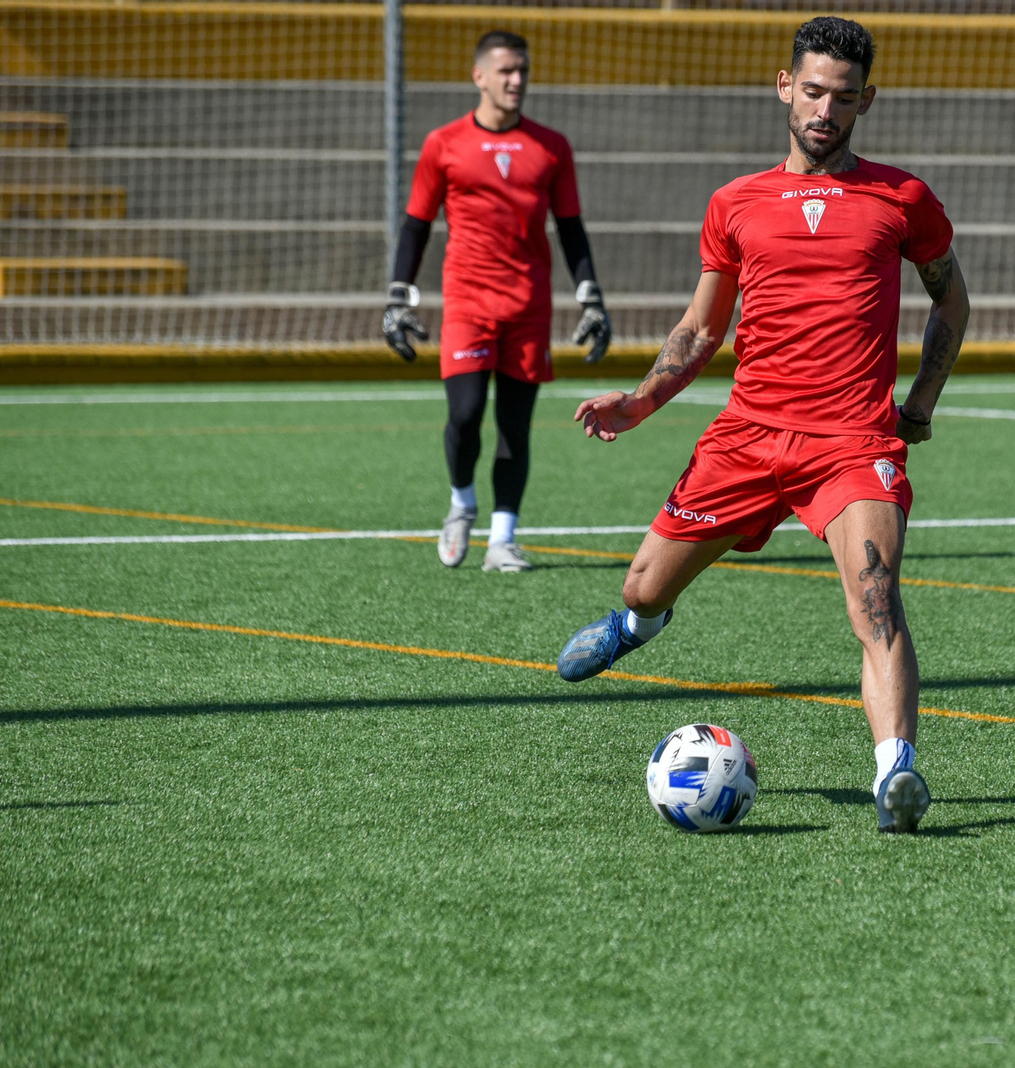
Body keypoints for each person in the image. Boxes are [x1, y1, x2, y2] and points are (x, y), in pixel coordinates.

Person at [554, 17, 970, 834]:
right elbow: (700, 331)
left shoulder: (903, 198)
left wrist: (920, 403)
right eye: (813, 91)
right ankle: (637, 624)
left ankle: (897, 777)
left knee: (877, 599)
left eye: (844, 98)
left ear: (866, 102)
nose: (825, 109)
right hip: (747, 437)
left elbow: (949, 297)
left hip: (852, 444)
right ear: (786, 86)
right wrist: (636, 404)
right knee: (644, 584)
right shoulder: (735, 203)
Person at [383, 30, 611, 573]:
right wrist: (397, 297)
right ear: (479, 75)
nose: (516, 81)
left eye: (523, 71)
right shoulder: (444, 143)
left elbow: (571, 228)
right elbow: (416, 225)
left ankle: (503, 539)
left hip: (529, 307)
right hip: (466, 303)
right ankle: (462, 502)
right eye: (506, 70)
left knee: (515, 426)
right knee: (464, 416)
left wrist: (591, 298)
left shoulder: (551, 146)